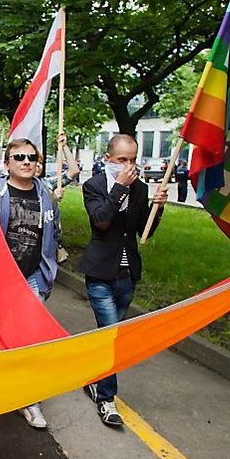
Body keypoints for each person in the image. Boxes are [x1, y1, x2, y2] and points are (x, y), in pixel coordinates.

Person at [78, 134, 167, 427]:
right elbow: (101, 221)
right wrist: (119, 188)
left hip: (127, 275)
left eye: (133, 160)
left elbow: (144, 231)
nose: (129, 166)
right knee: (112, 335)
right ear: (108, 159)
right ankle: (107, 399)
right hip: (100, 274)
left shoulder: (140, 189)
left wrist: (158, 208)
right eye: (122, 160)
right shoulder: (94, 186)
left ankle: (94, 378)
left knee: (110, 336)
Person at [0, 138, 61, 430]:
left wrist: (48, 272)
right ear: (7, 163)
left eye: (32, 157)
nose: (27, 162)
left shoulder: (47, 196)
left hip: (31, 278)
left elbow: (54, 235)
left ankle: (29, 401)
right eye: (19, 157)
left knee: (30, 338)